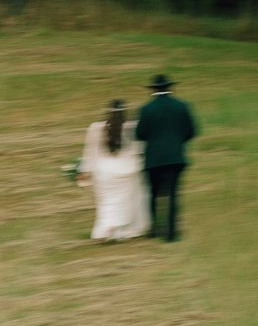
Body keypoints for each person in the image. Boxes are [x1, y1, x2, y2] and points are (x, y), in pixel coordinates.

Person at [132, 72, 198, 243]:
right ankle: (171, 233)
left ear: (153, 90)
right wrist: (177, 141)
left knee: (153, 194)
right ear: (170, 87)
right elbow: (192, 131)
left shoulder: (146, 109)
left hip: (153, 158)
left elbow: (139, 134)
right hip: (175, 157)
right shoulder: (182, 106)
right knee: (173, 194)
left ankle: (155, 228)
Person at [75, 98, 149, 242]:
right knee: (127, 202)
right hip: (128, 170)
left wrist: (84, 171)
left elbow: (90, 152)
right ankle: (120, 229)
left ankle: (107, 227)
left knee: (106, 202)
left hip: (105, 171)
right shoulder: (132, 127)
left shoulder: (96, 128)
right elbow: (139, 149)